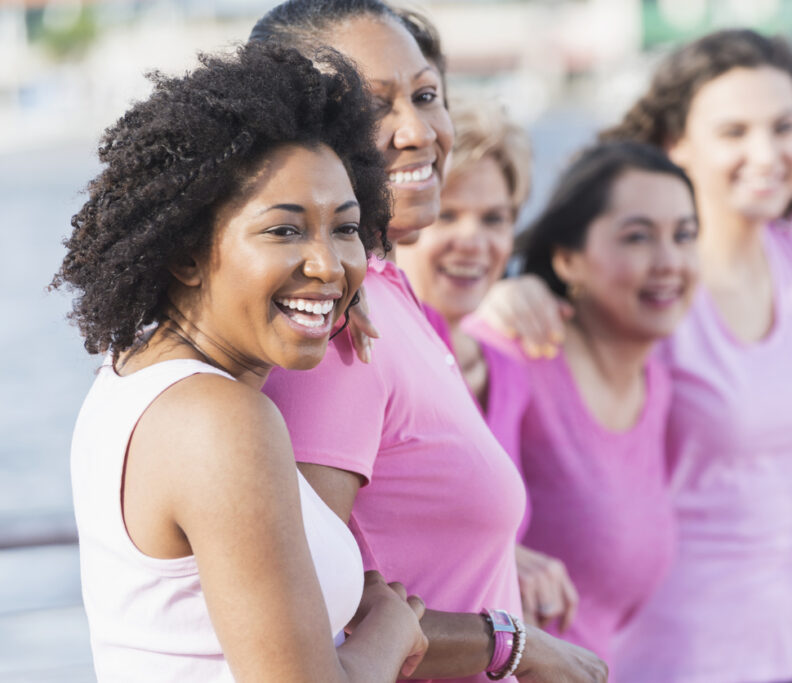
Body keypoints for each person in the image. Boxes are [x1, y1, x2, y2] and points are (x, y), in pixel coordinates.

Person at [477, 29, 792, 683]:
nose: (766, 153)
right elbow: (546, 344)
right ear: (676, 143)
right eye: (734, 131)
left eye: (784, 126)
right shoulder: (643, 290)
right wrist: (510, 291)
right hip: (677, 650)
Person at [251, 2, 607, 682]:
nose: (417, 131)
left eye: (425, 94)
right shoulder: (332, 332)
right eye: (373, 106)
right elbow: (307, 614)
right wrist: (517, 645)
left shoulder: (387, 292)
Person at [53, 43, 429, 681]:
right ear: (185, 253)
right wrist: (391, 631)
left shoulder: (132, 379)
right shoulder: (220, 420)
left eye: (344, 228)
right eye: (284, 231)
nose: (329, 264)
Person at [504, 141, 698, 681]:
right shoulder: (514, 358)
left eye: (684, 235)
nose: (670, 262)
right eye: (638, 237)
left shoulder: (654, 380)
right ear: (568, 259)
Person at [394, 101, 581, 632]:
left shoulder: (509, 367)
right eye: (447, 214)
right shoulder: (375, 357)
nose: (473, 240)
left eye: (494, 218)